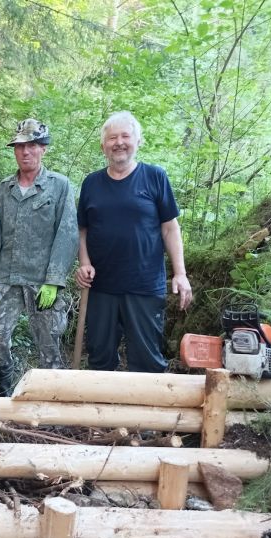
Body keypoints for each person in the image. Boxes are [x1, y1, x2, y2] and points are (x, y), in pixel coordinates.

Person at [75, 111, 192, 372]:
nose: (119, 142)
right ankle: (102, 409)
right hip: (101, 287)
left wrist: (180, 273)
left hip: (144, 285)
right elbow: (82, 229)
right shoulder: (91, 183)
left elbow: (170, 228)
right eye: (112, 138)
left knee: (147, 360)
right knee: (99, 359)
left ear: (138, 141)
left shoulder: (155, 177)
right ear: (103, 145)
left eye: (125, 136)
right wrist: (84, 262)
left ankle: (149, 411)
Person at [0, 119, 79, 396]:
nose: (25, 152)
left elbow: (67, 234)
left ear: (43, 149)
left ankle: (52, 403)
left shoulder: (59, 186)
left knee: (50, 347)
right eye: (20, 146)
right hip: (6, 281)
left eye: (32, 145)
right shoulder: (4, 188)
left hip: (41, 281)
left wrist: (55, 280)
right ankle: (0, 399)